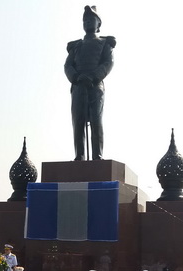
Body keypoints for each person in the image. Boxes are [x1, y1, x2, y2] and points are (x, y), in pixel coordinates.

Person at [64, 5, 116, 161]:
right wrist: (76, 77)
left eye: (91, 20)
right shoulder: (76, 46)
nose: (87, 23)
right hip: (78, 86)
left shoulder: (105, 44)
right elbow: (68, 65)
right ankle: (79, 155)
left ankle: (97, 155)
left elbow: (108, 62)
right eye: (85, 20)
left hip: (95, 86)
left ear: (98, 24)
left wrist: (94, 77)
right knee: (78, 121)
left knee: (96, 120)